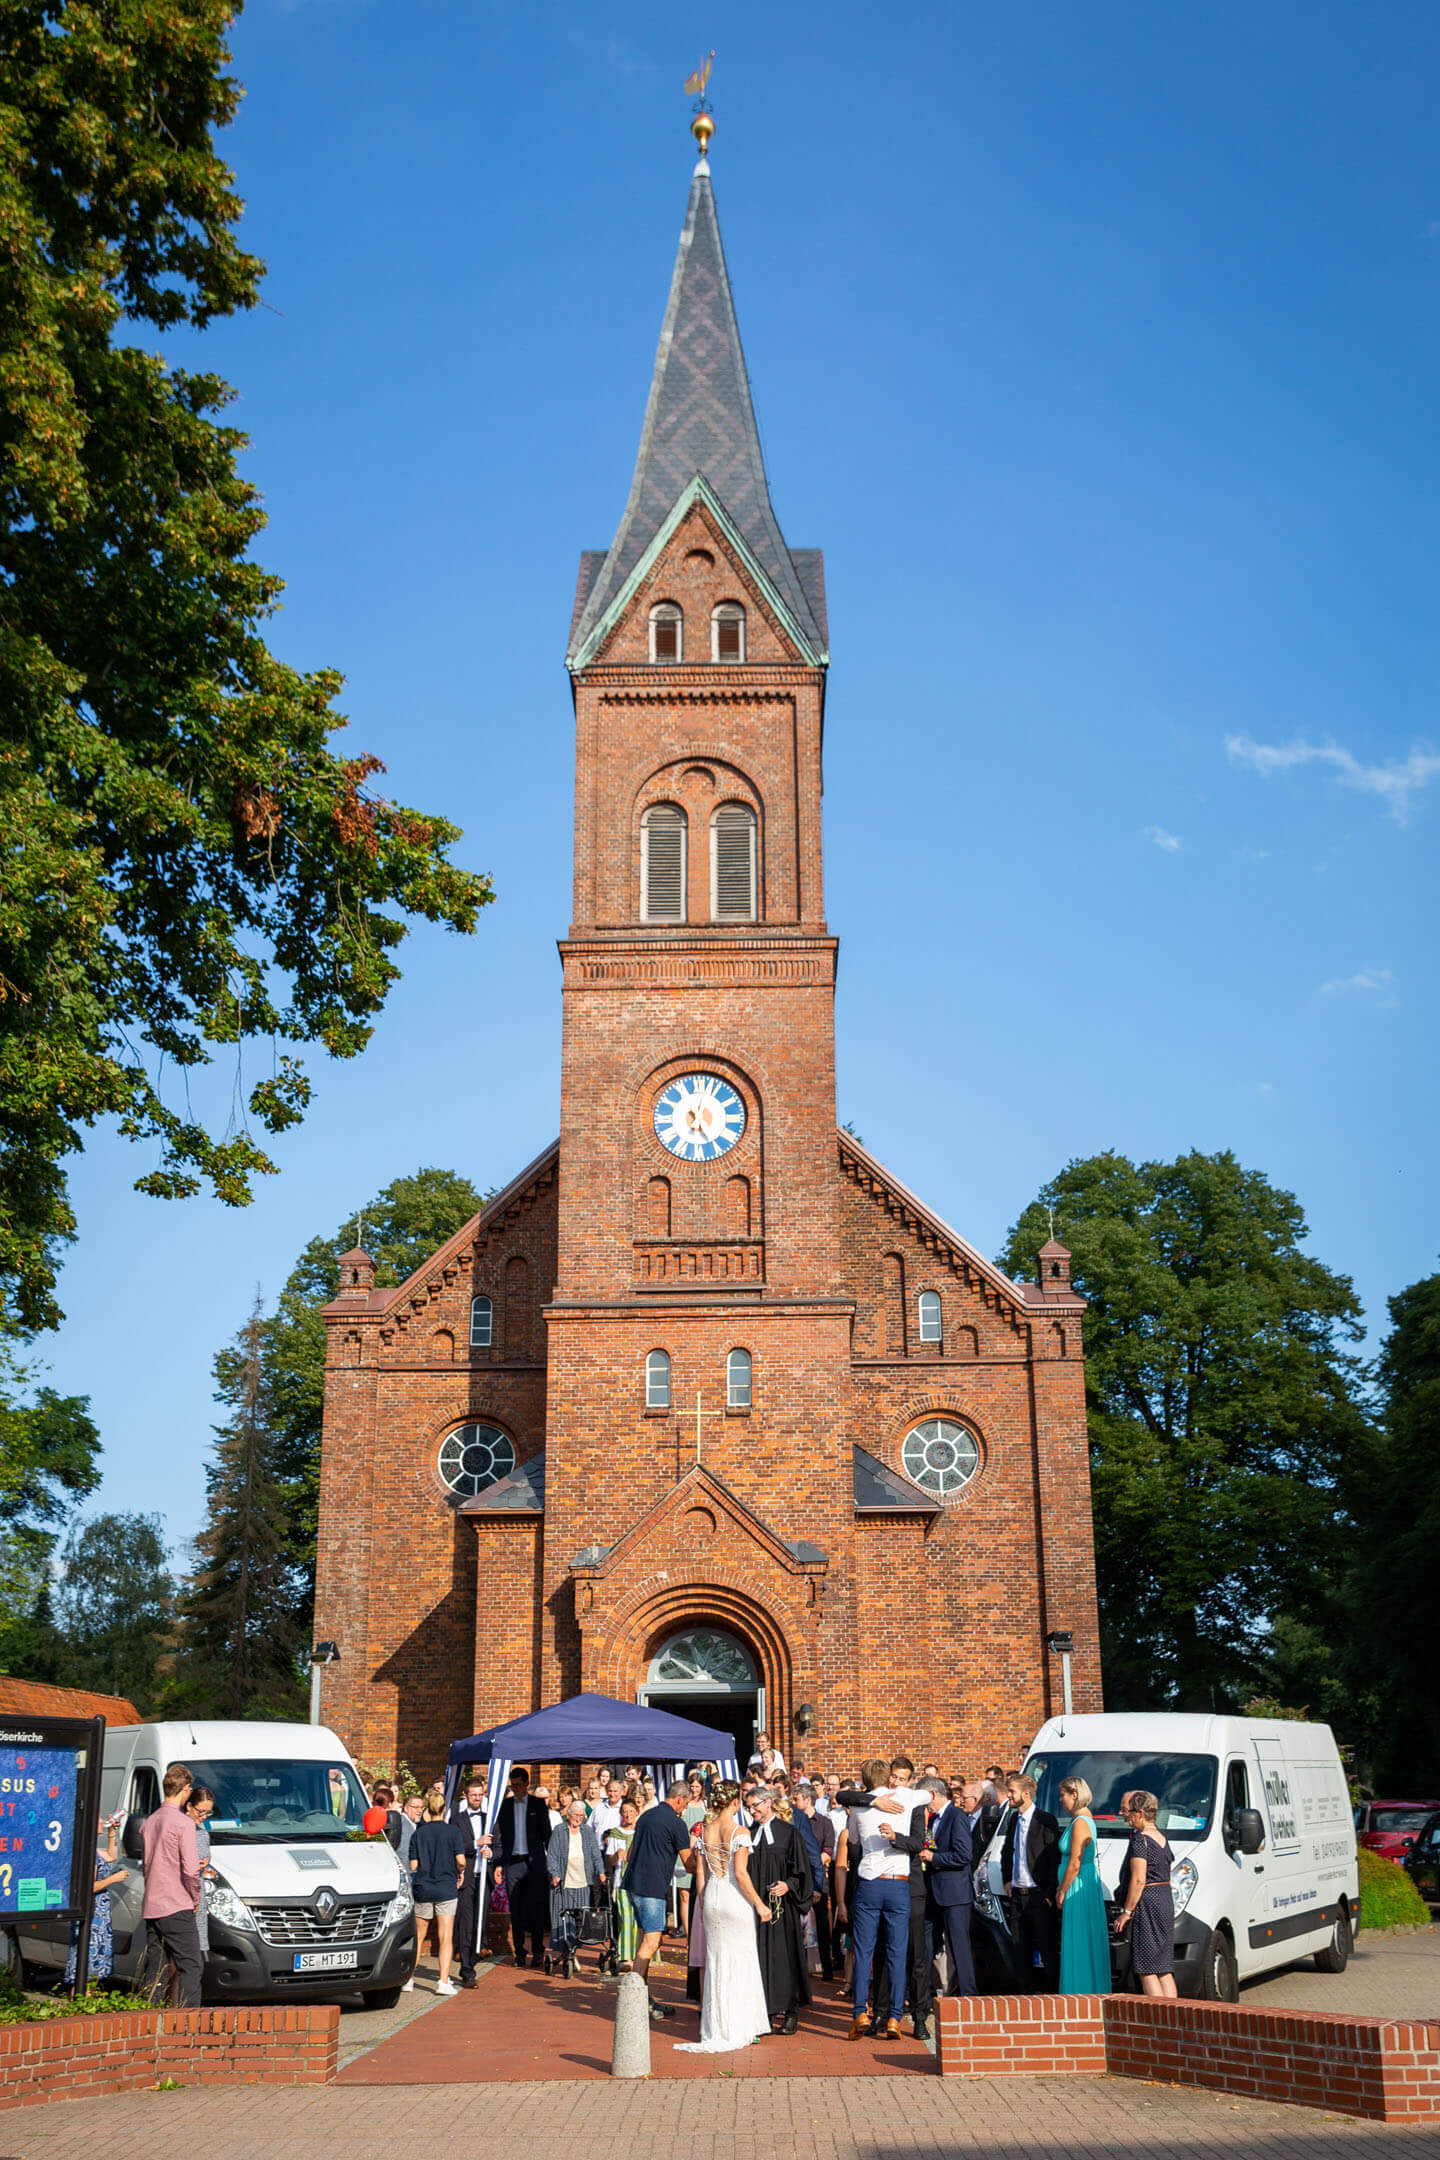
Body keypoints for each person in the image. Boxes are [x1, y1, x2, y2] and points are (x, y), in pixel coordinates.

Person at [674, 1779, 774, 2053]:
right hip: (733, 1898)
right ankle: (740, 2025)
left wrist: (704, 1906)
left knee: (716, 1963)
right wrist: (760, 1905)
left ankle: (717, 2025)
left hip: (712, 1900)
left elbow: (702, 1877)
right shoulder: (739, 1831)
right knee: (740, 1960)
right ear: (734, 1802)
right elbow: (740, 1874)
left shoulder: (706, 1831)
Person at [836, 1757, 930, 2041]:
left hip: (869, 1884)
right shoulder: (908, 1797)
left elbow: (850, 1832)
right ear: (889, 1775)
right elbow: (931, 1794)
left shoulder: (859, 1807)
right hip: (898, 1884)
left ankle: (859, 2013)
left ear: (864, 1780)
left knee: (864, 1952)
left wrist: (870, 1803)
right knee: (896, 1952)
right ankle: (894, 2019)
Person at [620, 1779, 699, 2022]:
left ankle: (643, 1997)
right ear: (679, 1799)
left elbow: (631, 1851)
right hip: (652, 1888)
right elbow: (688, 1864)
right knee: (652, 1942)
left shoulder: (646, 1816)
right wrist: (706, 1859)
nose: (685, 1808)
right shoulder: (676, 1824)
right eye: (685, 1803)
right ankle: (634, 2000)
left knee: (646, 1938)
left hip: (632, 1884)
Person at [745, 1783, 813, 2034]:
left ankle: (791, 2011)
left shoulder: (789, 1833)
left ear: (768, 1803)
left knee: (786, 1957)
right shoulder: (748, 1834)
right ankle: (765, 2013)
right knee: (760, 1958)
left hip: (783, 1909)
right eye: (748, 1807)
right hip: (757, 1907)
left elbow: (802, 1869)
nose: (752, 1811)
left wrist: (788, 1884)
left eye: (755, 1806)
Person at [138, 1762, 203, 2008]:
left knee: (156, 1967)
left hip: (152, 1903)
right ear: (186, 1789)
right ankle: (188, 2022)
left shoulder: (150, 1822)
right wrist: (195, 1897)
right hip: (176, 1903)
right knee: (191, 1965)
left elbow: (146, 1866)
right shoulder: (183, 1823)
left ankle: (149, 2017)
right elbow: (190, 1869)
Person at [1114, 1791, 1177, 1997]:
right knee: (1164, 1968)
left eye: (1130, 1812)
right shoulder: (1161, 1838)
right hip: (1165, 1898)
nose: (1126, 1817)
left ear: (1140, 1813)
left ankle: (1160, 2020)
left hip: (1148, 1902)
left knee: (1147, 1968)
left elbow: (1139, 1880)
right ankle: (1176, 2017)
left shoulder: (1141, 1840)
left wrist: (1126, 1911)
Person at [488, 1767, 551, 1969]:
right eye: (512, 1785)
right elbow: (499, 1837)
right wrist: (498, 1863)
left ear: (526, 1784)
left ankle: (538, 1951)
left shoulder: (538, 1804)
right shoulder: (504, 1806)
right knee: (516, 1908)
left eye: (518, 1784)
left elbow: (547, 1834)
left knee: (537, 1908)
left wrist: (552, 1863)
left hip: (534, 1862)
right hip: (512, 1862)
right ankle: (520, 1952)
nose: (515, 1788)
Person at [1002, 1772, 1060, 1991]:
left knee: (1046, 1947)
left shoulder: (1045, 1820)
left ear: (1026, 1794)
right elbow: (1008, 1850)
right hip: (1017, 1895)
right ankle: (1024, 1997)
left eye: (1012, 1791)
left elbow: (1053, 1858)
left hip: (1038, 1895)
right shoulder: (1013, 1819)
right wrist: (1007, 1879)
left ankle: (1053, 1995)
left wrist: (1048, 1894)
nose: (1009, 1795)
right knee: (1020, 1948)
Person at [405, 1792, 466, 1995]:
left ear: (427, 1810)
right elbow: (461, 1861)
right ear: (444, 1809)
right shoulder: (453, 1832)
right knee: (445, 1937)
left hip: (423, 1886)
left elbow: (413, 1864)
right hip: (446, 1886)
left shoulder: (418, 1833)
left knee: (419, 1936)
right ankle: (442, 1981)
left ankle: (408, 1979)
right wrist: (460, 1872)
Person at [1056, 1775, 1110, 1993]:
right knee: (1083, 1937)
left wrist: (1062, 1889)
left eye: (1063, 1795)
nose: (1061, 1800)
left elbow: (1075, 1862)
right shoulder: (1083, 1820)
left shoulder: (1081, 1823)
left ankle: (1080, 1990)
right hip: (1080, 1883)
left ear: (1074, 1795)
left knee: (1078, 1939)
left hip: (1078, 1885)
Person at [927, 1778, 978, 2002]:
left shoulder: (956, 1816)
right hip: (933, 1891)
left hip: (955, 1893)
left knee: (959, 1946)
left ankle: (968, 1995)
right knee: (927, 1944)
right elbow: (931, 1845)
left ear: (933, 1795)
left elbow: (964, 1855)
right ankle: (926, 1995)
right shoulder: (932, 1820)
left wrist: (934, 1857)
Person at [65, 1817, 127, 1986]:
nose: (101, 1820)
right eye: (98, 1818)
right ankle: (81, 2004)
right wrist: (114, 1878)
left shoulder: (92, 1849)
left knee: (93, 1971)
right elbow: (89, 1886)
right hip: (92, 1914)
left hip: (98, 1915)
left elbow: (111, 1856)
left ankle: (84, 2005)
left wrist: (112, 1832)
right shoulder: (88, 1853)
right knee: (88, 1969)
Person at [546, 1799, 604, 1977]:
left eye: (581, 1815)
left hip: (582, 1883)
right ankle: (566, 1953)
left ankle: (572, 1954)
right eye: (575, 1815)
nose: (578, 1818)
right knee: (562, 1919)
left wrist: (601, 1872)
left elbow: (595, 1854)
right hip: (563, 1883)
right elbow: (553, 1856)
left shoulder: (587, 1831)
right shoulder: (559, 1831)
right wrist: (554, 1873)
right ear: (568, 1815)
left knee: (578, 1921)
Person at [793, 1783, 835, 1980]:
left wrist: (814, 1863)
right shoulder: (793, 1820)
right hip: (800, 1879)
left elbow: (828, 1849)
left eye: (796, 1799)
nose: (793, 1803)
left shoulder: (824, 1823)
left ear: (807, 1800)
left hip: (817, 1877)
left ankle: (827, 1967)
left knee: (821, 1925)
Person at [451, 1777, 489, 1990]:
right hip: (466, 1879)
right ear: (466, 1796)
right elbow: (455, 1846)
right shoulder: (457, 1819)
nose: (477, 1798)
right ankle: (467, 1971)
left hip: (485, 1879)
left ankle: (472, 1960)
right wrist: (476, 1844)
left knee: (479, 1925)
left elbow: (500, 1846)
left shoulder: (489, 1818)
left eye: (480, 1794)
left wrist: (491, 1852)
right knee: (465, 1924)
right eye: (473, 1795)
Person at [605, 1794, 640, 1969]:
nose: (628, 1815)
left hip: (640, 1882)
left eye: (631, 1811)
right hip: (621, 1882)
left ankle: (637, 1956)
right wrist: (616, 1856)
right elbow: (610, 1862)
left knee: (637, 1921)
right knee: (625, 1918)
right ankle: (626, 1958)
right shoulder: (615, 1834)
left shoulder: (641, 1833)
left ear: (637, 1813)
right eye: (625, 1812)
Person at [184, 1783, 216, 1962]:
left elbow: (204, 1859)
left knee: (195, 1955)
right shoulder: (180, 1829)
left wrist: (205, 1863)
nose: (203, 1816)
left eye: (208, 1813)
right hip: (182, 1896)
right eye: (200, 1811)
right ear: (189, 1806)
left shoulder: (203, 1833)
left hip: (198, 1893)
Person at [676, 1774, 707, 1938]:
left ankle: (698, 1933)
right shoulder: (684, 1806)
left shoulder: (705, 1805)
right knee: (684, 1895)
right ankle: (688, 1935)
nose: (694, 1790)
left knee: (699, 1893)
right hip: (683, 1853)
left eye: (697, 1786)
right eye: (692, 1787)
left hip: (700, 1854)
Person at [397, 1792, 424, 1867]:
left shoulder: (412, 1825)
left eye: (422, 1807)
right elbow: (404, 1854)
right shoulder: (403, 1825)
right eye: (416, 1807)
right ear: (406, 1808)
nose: (420, 1811)